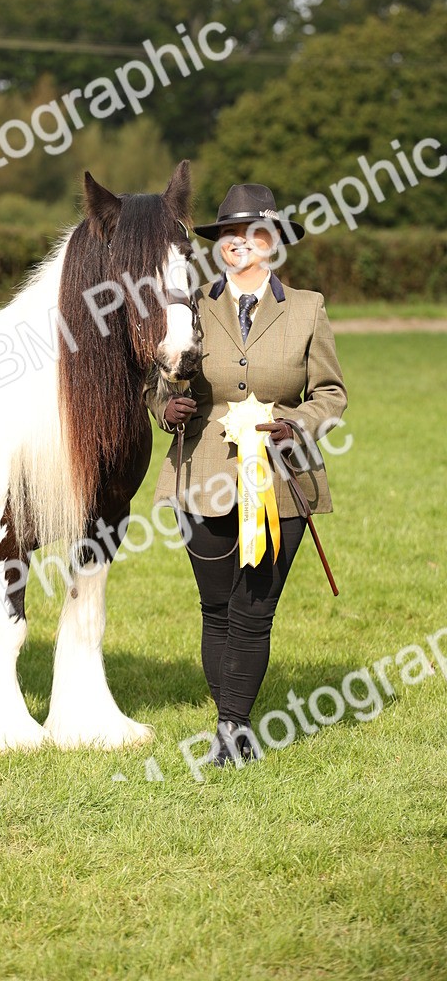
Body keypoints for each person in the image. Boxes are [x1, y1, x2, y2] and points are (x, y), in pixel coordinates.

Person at [144, 183, 347, 767]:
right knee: (215, 609)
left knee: (253, 609)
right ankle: (228, 723)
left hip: (281, 478)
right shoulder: (192, 307)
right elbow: (160, 382)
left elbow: (331, 393)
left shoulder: (308, 307)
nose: (242, 244)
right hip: (199, 474)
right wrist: (166, 408)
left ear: (275, 242)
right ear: (221, 245)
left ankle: (233, 728)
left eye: (256, 234)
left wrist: (300, 423)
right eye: (231, 235)